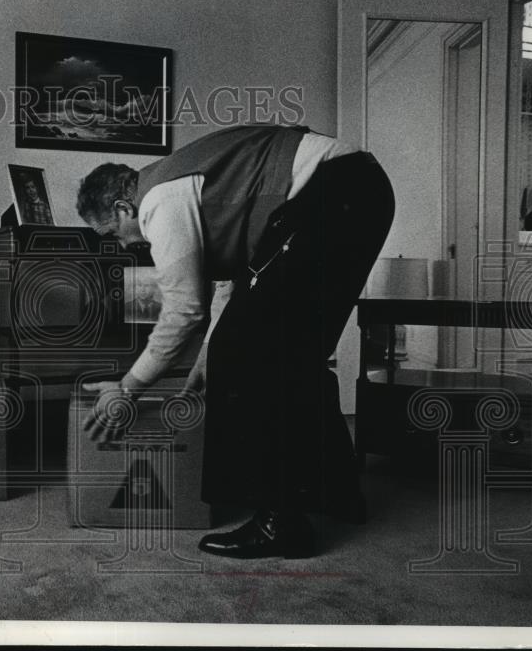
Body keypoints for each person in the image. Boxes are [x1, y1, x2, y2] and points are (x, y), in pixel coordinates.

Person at [75, 124, 394, 559]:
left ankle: (279, 523)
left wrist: (129, 388)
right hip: (358, 187)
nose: (125, 244)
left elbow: (184, 309)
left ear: (122, 207)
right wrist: (209, 352)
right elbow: (235, 285)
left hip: (331, 190)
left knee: (257, 357)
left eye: (112, 233)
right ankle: (335, 494)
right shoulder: (184, 186)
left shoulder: (159, 202)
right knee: (294, 355)